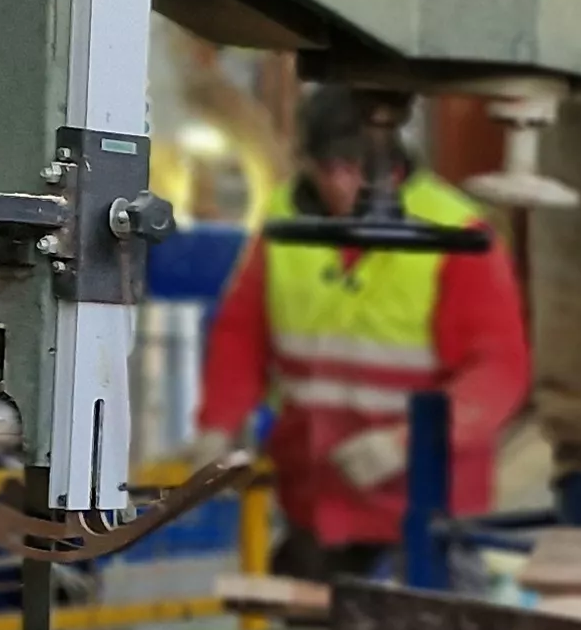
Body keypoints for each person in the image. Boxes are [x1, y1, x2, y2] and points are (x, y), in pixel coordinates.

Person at [196, 87, 532, 582]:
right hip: (314, 501)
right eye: (325, 168)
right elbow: (241, 335)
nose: (340, 185)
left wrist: (404, 443)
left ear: (386, 158)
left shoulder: (456, 231)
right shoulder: (285, 220)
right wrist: (217, 426)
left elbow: (499, 371)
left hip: (427, 512)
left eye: (352, 168)